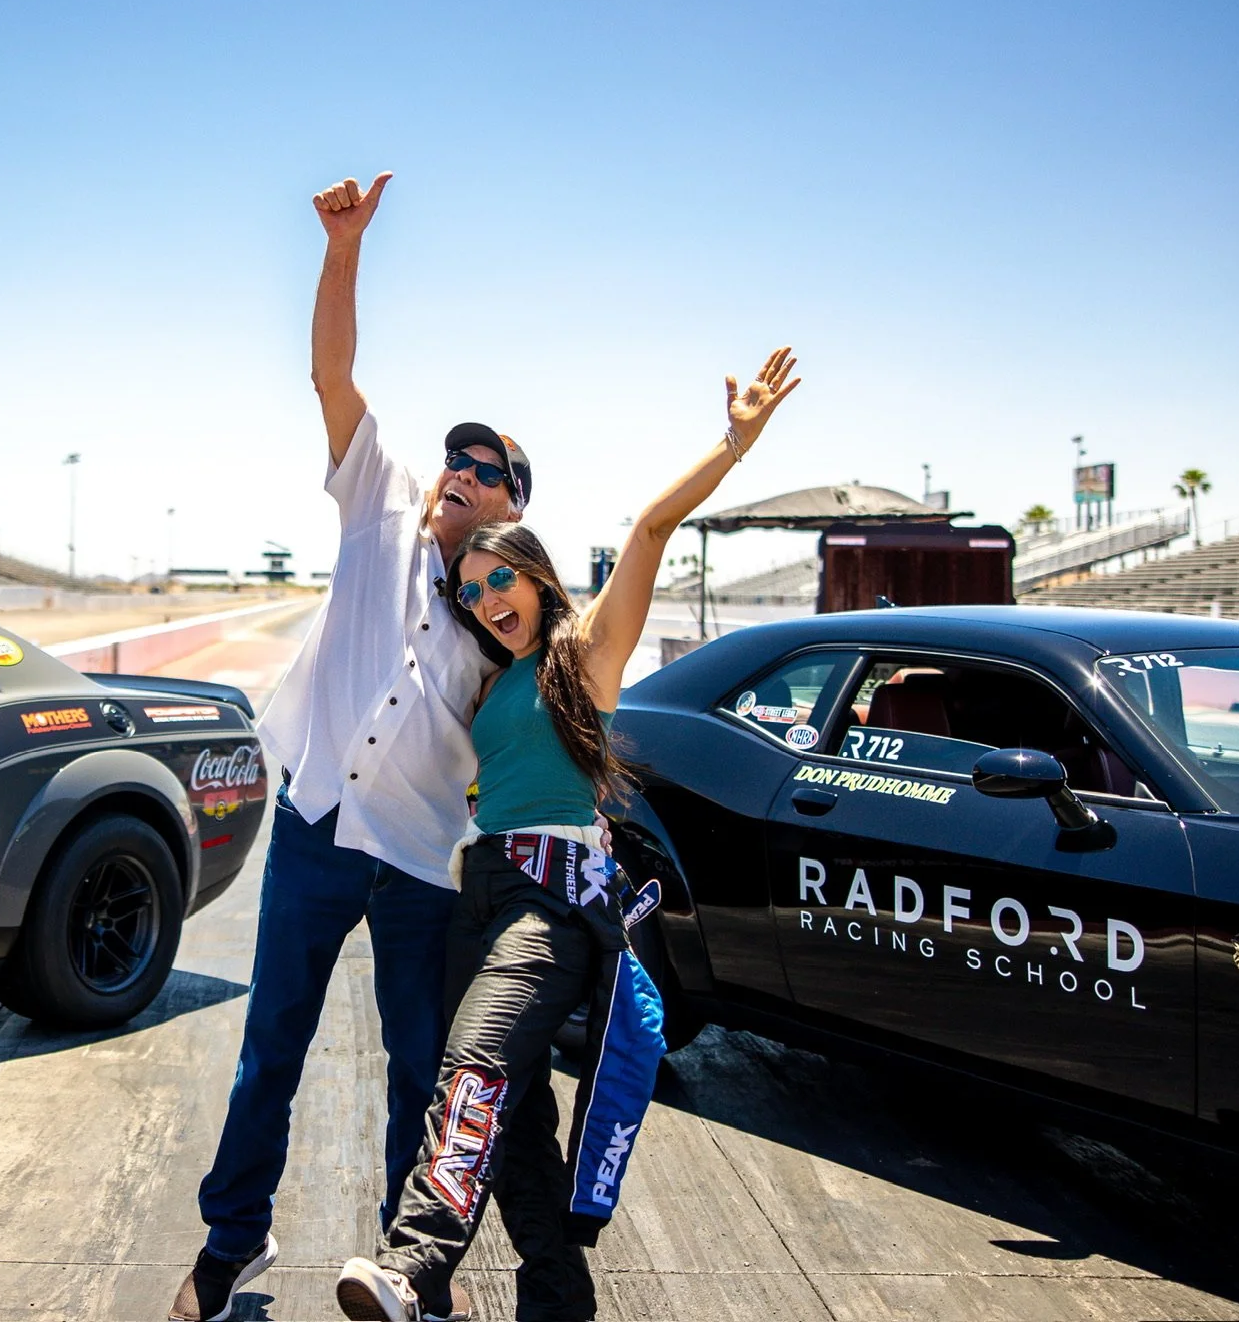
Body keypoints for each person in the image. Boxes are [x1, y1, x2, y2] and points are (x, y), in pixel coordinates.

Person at [335, 348, 802, 1322]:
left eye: (498, 577)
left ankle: (414, 1262)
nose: (485, 599)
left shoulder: (582, 657)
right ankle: (561, 1301)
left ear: (536, 572)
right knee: (517, 1136)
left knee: (476, 1061)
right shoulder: (492, 681)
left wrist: (733, 442)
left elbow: (651, 526)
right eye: (469, 591)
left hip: (555, 903)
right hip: (483, 897)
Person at [172, 172, 532, 1322]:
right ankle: (232, 1244)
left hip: (424, 859)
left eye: (483, 473)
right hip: (319, 825)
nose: (457, 475)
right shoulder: (378, 500)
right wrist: (342, 251)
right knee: (268, 1046)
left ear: (510, 507)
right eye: (454, 459)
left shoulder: (509, 610)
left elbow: (536, 735)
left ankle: (406, 1269)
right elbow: (331, 371)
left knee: (418, 1078)